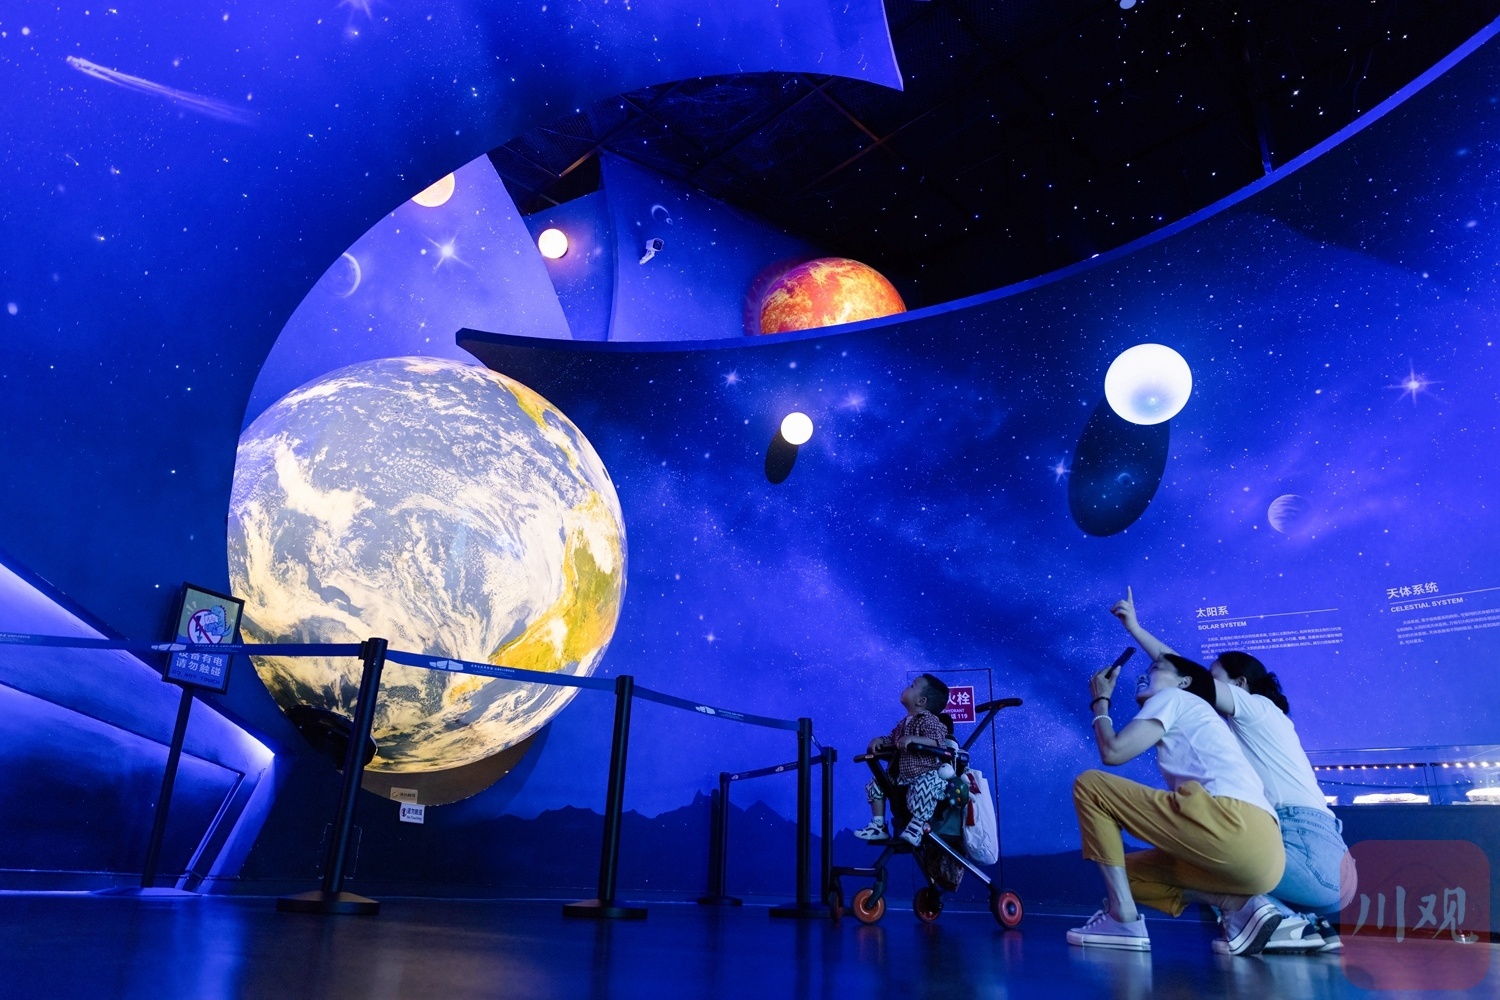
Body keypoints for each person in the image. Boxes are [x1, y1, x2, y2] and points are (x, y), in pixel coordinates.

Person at [1111, 587, 1354, 952]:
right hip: (1326, 859)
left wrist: (1137, 630)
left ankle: (1270, 918)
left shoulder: (1256, 708)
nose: (1202, 687)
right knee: (1210, 846)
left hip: (1305, 847)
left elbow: (1184, 673)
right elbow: (1184, 674)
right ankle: (1295, 925)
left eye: (1215, 677)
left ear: (1239, 684)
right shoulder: (1236, 730)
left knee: (1212, 848)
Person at [1070, 652, 1287, 954]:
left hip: (1230, 823)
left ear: (1183, 682)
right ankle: (1238, 906)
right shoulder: (1204, 719)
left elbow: (1113, 751)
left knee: (1091, 785)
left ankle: (1122, 921)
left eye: (1156, 668)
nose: (1143, 675)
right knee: (1125, 876)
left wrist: (1101, 701)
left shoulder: (1173, 697)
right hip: (1268, 860)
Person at [854, 674, 952, 846]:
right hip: (901, 776)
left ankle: (917, 825)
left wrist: (914, 739)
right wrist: (880, 741)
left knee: (924, 788)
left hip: (924, 772)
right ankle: (878, 825)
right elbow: (892, 739)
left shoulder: (929, 720)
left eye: (913, 685)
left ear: (921, 701)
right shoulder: (903, 723)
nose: (907, 687)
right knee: (876, 784)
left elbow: (937, 740)